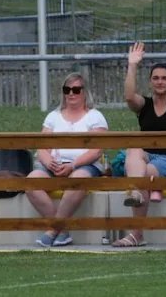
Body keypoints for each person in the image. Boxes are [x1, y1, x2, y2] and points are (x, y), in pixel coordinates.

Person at [112, 43, 166, 247]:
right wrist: (132, 65)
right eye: (155, 78)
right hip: (145, 157)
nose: (160, 82)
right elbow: (129, 97)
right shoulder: (145, 105)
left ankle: (136, 234)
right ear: (150, 82)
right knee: (134, 148)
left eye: (165, 78)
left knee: (144, 175)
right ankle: (137, 193)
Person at [26, 72, 108, 247]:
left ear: (85, 92)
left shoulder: (95, 116)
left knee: (77, 180)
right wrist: (49, 162)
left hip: (85, 165)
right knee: (31, 183)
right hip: (54, 165)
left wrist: (73, 165)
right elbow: (41, 146)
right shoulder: (53, 116)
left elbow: (97, 150)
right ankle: (61, 230)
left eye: (76, 89)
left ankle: (53, 230)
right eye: (67, 89)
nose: (71, 93)